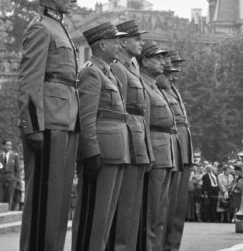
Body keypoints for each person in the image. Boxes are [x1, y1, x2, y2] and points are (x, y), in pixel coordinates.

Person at [17, 0, 83, 251]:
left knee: (58, 201)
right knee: (43, 200)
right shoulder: (40, 28)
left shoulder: (59, 27)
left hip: (65, 120)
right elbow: (30, 81)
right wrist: (33, 126)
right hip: (48, 124)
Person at [73, 22, 130, 251]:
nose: (120, 45)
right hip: (101, 154)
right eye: (116, 41)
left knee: (104, 219)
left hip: (115, 153)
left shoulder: (109, 74)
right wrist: (91, 152)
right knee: (93, 217)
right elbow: (86, 118)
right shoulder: (91, 72)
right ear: (102, 44)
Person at [110, 20, 153, 251]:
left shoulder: (132, 68)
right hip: (127, 141)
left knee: (132, 210)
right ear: (123, 41)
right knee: (124, 208)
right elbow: (122, 111)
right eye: (137, 39)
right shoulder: (119, 68)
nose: (141, 43)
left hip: (138, 141)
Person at [138, 41, 177, 249]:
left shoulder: (156, 87)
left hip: (165, 153)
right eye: (157, 58)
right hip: (155, 152)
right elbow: (144, 123)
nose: (163, 62)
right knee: (151, 211)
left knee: (161, 211)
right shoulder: (143, 86)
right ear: (144, 61)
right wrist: (148, 153)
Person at [161, 49, 195, 251]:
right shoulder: (161, 89)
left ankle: (173, 246)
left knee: (179, 208)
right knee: (168, 207)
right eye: (174, 65)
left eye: (179, 65)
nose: (178, 70)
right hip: (173, 150)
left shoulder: (173, 89)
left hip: (183, 151)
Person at [0, 139, 21, 209]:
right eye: (7, 145)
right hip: (0, 180)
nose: (8, 147)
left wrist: (15, 179)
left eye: (10, 145)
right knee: (0, 198)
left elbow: (17, 170)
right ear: (3, 146)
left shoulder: (14, 156)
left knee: (9, 198)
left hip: (11, 180)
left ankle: (8, 211)